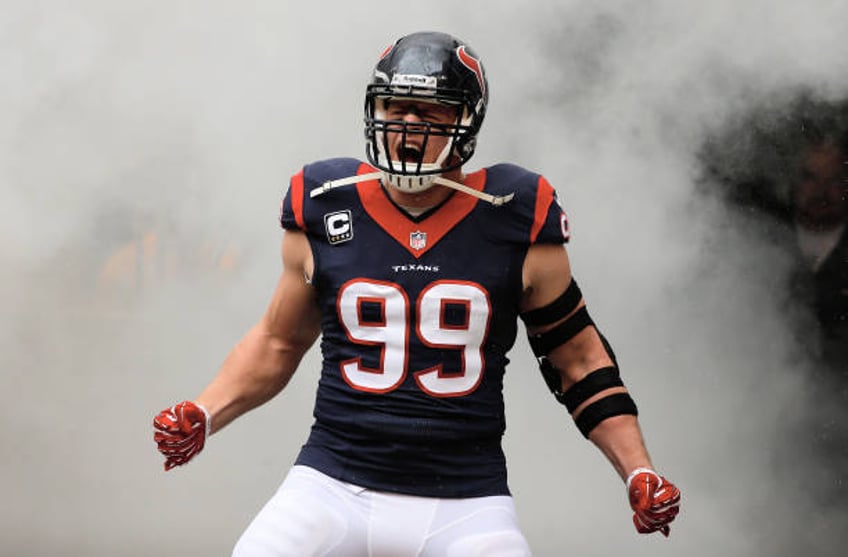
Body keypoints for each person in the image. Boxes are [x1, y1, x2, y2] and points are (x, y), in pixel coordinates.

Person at [153, 31, 681, 556]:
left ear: (465, 121)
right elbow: (277, 342)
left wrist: (638, 471)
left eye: (429, 113)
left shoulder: (516, 212)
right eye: (395, 106)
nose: (406, 126)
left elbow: (579, 359)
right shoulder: (324, 201)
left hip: (468, 502)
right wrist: (205, 411)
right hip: (332, 484)